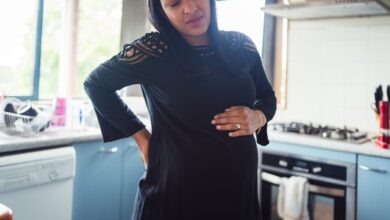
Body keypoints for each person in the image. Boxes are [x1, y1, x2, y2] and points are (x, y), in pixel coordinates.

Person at [84, 0, 277, 219]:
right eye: (174, 3)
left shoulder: (241, 46)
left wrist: (258, 117)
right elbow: (96, 84)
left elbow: (266, 97)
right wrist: (141, 138)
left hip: (238, 196)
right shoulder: (153, 51)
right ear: (161, 12)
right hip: (173, 197)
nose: (190, 8)